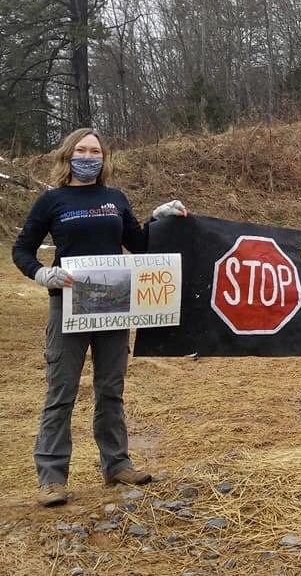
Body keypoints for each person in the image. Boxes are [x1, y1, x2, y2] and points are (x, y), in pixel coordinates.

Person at [11, 128, 188, 507]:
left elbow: (138, 244)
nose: (89, 156)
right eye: (82, 149)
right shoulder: (51, 201)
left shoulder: (114, 198)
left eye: (96, 151)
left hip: (115, 304)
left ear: (104, 158)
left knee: (111, 389)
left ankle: (117, 464)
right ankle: (52, 477)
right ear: (68, 155)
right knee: (61, 392)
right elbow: (22, 250)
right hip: (69, 306)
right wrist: (41, 273)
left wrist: (160, 220)